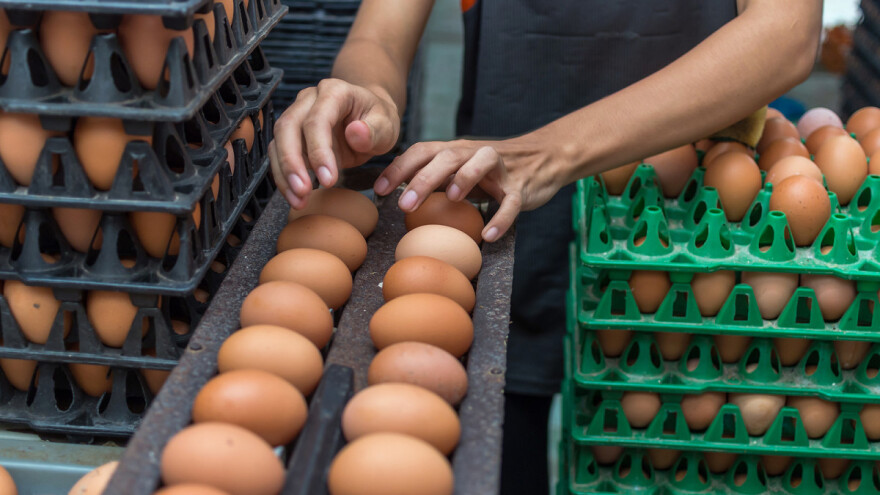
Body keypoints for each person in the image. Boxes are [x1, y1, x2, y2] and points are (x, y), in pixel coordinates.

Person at [269, 1, 822, 493]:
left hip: (682, 241)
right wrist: (370, 96)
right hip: (500, 217)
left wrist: (549, 153)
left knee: (661, 441)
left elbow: (787, 32)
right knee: (504, 440)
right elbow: (380, 33)